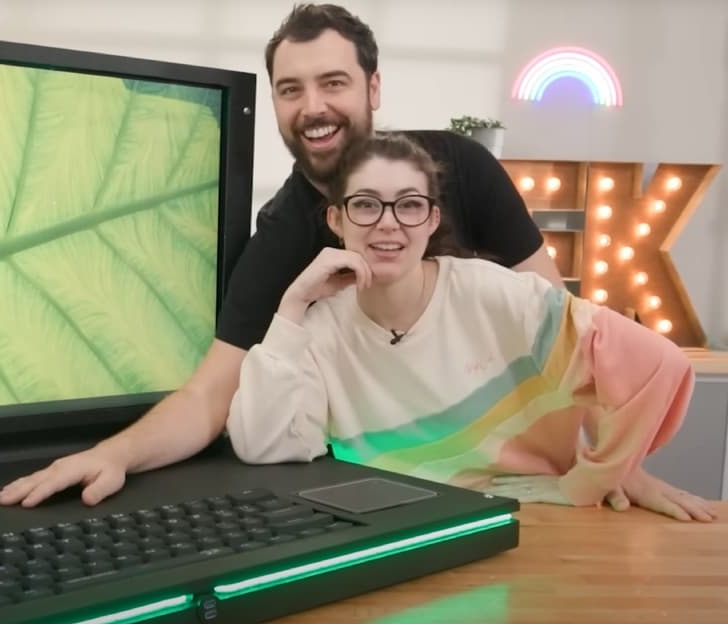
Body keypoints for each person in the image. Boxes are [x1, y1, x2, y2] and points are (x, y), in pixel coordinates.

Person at [0, 3, 564, 509]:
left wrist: (605, 455)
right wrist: (114, 454)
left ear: (373, 89)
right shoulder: (280, 240)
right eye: (290, 89)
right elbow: (210, 396)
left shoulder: (462, 167)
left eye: (333, 82)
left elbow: (562, 333)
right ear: (335, 225)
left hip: (521, 476)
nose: (312, 107)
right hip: (395, 488)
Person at [226, 132, 715, 522]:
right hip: (402, 535)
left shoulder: (496, 295)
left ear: (432, 218)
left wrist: (594, 478)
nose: (388, 223)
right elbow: (263, 445)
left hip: (529, 524)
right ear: (337, 218)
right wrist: (292, 305)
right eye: (366, 204)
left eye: (410, 204)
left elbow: (659, 367)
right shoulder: (319, 329)